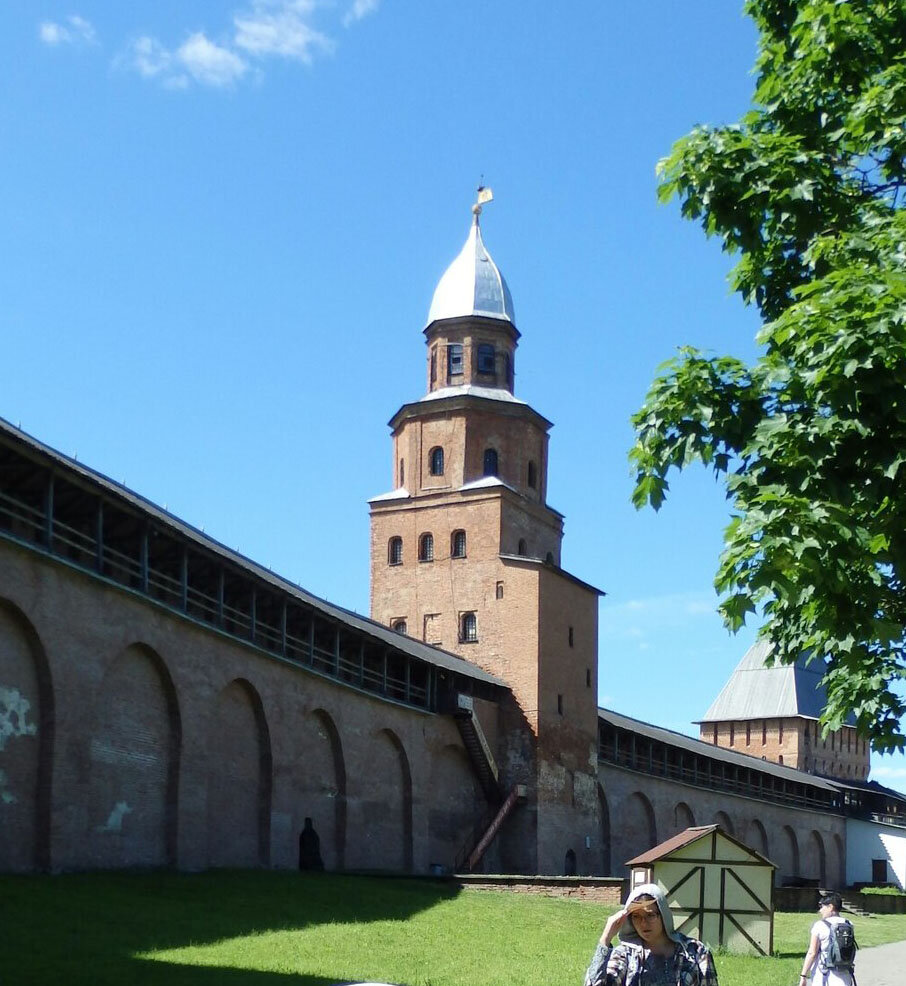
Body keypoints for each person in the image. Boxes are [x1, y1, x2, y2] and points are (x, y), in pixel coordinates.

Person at [584, 883, 718, 986]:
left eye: (650, 915)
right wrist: (605, 939)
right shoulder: (626, 954)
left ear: (663, 915)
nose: (643, 923)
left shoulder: (695, 952)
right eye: (636, 916)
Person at [799, 891, 857, 986]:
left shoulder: (819, 925)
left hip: (824, 976)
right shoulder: (849, 924)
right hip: (845, 976)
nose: (820, 910)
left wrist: (803, 975)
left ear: (830, 907)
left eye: (822, 907)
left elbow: (812, 953)